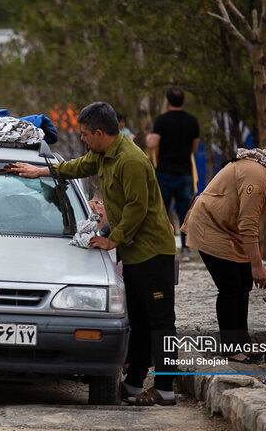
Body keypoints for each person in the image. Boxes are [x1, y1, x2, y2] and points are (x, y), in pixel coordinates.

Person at [9, 101, 178, 406]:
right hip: (134, 254)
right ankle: (135, 384)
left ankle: (166, 388)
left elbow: (136, 209)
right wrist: (40, 171)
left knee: (161, 323)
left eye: (85, 134)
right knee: (138, 323)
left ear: (100, 133)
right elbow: (77, 166)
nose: (83, 138)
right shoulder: (103, 155)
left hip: (153, 253)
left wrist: (113, 239)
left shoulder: (131, 161)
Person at [181, 137, 266, 363]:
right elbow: (248, 222)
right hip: (210, 225)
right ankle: (230, 349)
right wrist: (257, 265)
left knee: (243, 285)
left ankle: (241, 344)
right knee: (230, 286)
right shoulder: (258, 175)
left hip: (231, 229)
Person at [146, 88, 199, 259]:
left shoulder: (162, 120)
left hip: (164, 173)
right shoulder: (192, 121)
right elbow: (195, 148)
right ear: (183, 102)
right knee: (185, 213)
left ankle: (161, 247)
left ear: (167, 102)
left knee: (161, 211)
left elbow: (152, 143)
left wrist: (149, 136)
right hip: (184, 173)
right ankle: (185, 249)